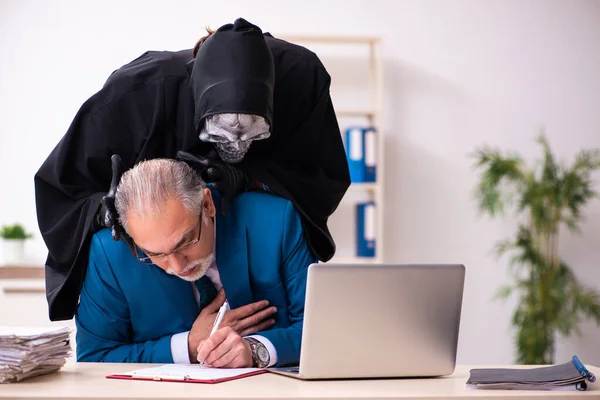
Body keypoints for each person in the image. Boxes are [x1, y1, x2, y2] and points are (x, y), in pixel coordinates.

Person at [34, 17, 350, 322]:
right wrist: (104, 212)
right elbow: (59, 191)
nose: (237, 147)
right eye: (221, 135)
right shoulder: (133, 97)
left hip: (248, 264)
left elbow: (321, 182)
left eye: (252, 135)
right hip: (148, 274)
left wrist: (250, 179)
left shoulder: (301, 81)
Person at [75, 158, 315, 367]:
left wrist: (255, 350)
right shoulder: (110, 252)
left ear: (207, 204)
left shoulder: (275, 220)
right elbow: (95, 356)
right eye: (154, 254)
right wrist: (187, 346)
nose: (178, 267)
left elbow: (317, 330)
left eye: (186, 242)